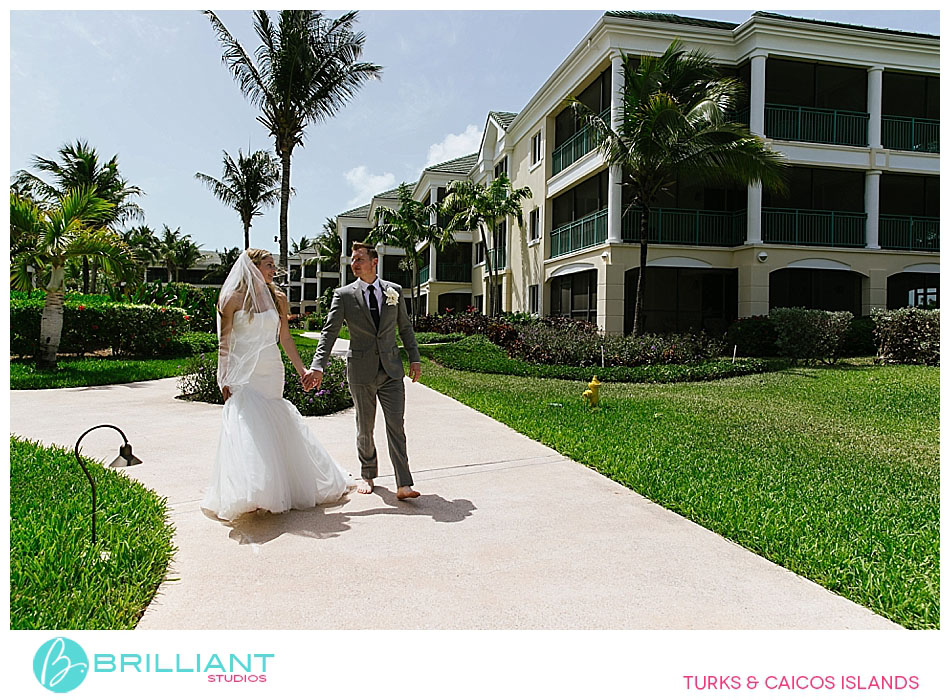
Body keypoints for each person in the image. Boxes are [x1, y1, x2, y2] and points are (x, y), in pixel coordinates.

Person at [201, 249, 355, 521]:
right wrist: (221, 375)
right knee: (247, 425)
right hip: (244, 373)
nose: (274, 270)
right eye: (268, 265)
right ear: (252, 267)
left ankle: (274, 489)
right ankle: (253, 492)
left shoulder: (278, 297)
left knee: (271, 423)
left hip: (271, 369)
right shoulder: (231, 299)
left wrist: (302, 370)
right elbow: (224, 342)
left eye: (273, 265)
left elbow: (285, 338)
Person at [304, 242, 422, 500]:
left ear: (374, 262)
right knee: (365, 427)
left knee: (396, 425)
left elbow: (405, 328)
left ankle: (404, 483)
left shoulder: (395, 291)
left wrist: (414, 358)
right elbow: (330, 332)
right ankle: (367, 473)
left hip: (391, 370)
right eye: (352, 261)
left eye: (358, 259)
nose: (354, 264)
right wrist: (317, 365)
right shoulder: (344, 295)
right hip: (361, 370)